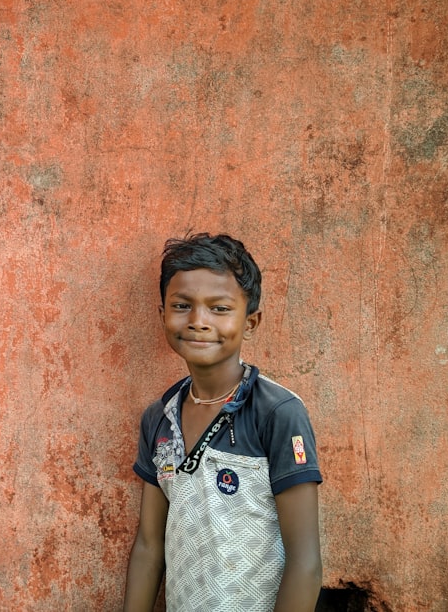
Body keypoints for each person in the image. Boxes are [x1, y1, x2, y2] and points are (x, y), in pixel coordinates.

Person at [123, 232, 323, 612]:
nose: (198, 321)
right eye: (182, 305)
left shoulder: (277, 413)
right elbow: (149, 547)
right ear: (162, 313)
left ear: (250, 322)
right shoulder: (160, 418)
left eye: (219, 308)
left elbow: (306, 563)